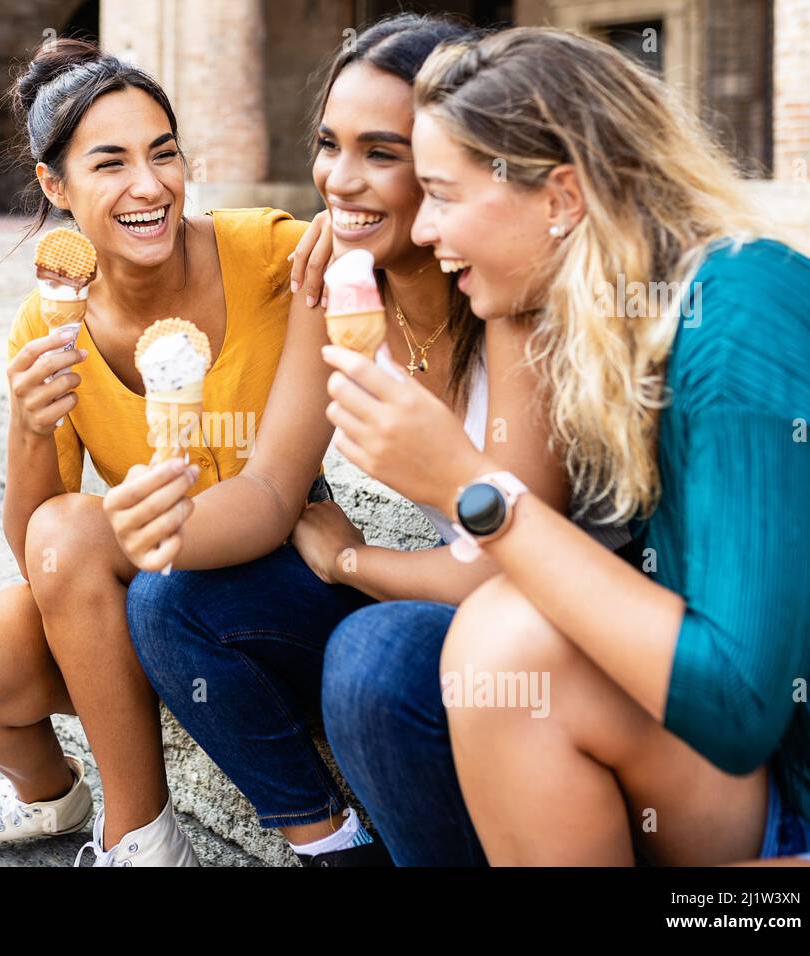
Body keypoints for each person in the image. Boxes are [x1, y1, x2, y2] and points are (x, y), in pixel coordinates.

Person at [319, 26, 810, 866]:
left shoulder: (746, 327)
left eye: (444, 195)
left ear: (562, 200)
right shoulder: (631, 324)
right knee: (495, 644)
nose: (423, 232)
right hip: (777, 782)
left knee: (508, 640)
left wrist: (468, 487)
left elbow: (741, 704)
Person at [117, 14, 622, 866]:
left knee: (375, 651)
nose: (339, 181)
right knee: (170, 598)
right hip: (453, 584)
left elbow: (508, 566)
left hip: (548, 621)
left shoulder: (509, 292)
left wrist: (353, 563)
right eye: (328, 144)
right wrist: (162, 527)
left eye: (381, 154)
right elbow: (274, 492)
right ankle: (336, 850)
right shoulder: (337, 283)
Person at [0, 38, 316, 866]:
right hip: (148, 584)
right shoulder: (49, 329)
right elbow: (37, 554)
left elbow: (382, 270)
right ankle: (52, 803)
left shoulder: (267, 254)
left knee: (76, 535)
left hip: (264, 581)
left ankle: (139, 842)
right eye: (110, 163)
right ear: (55, 186)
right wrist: (28, 422)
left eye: (164, 154)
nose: (149, 186)